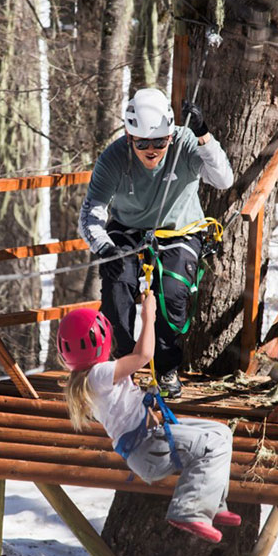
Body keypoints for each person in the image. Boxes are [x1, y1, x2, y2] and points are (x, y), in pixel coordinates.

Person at [78, 86, 233, 399]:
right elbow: (90, 215)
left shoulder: (188, 144)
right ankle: (123, 364)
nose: (151, 150)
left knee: (173, 291)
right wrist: (106, 248)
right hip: (128, 228)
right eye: (142, 143)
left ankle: (166, 366)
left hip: (180, 227)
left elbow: (223, 180)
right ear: (129, 136)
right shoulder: (114, 158)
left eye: (159, 142)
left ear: (171, 136)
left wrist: (203, 135)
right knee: (116, 283)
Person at [58, 298, 240, 543]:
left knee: (221, 433)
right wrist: (149, 317)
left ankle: (212, 503)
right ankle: (188, 511)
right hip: (150, 447)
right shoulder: (99, 374)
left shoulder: (84, 380)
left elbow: (126, 384)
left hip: (148, 444)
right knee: (212, 445)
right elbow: (143, 355)